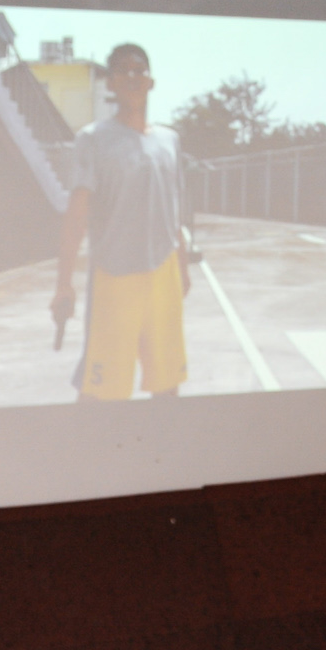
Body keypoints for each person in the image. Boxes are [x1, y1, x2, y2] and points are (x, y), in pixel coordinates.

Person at [51, 43, 190, 401]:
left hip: (164, 272)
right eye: (123, 70)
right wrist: (63, 283)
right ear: (110, 83)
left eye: (139, 70)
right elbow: (76, 215)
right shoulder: (93, 138)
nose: (132, 76)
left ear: (151, 81)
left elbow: (174, 209)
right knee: (101, 393)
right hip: (114, 275)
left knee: (168, 385)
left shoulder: (169, 140)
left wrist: (183, 266)